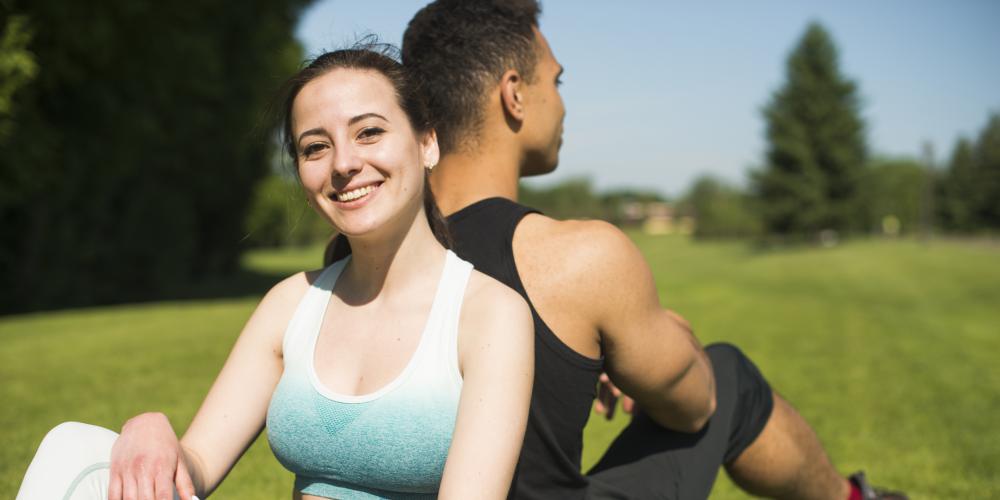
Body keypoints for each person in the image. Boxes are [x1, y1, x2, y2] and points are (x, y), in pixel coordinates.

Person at [398, 1, 906, 499]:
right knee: (724, 374)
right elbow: (694, 405)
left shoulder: (359, 254)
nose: (562, 102)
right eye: (557, 81)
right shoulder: (577, 257)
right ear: (514, 95)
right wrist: (654, 336)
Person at [16, 44, 534, 500]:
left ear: (427, 143)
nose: (343, 164)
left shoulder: (490, 315)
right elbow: (193, 468)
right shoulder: (293, 303)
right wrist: (147, 428)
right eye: (315, 146)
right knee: (74, 447)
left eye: (369, 133)